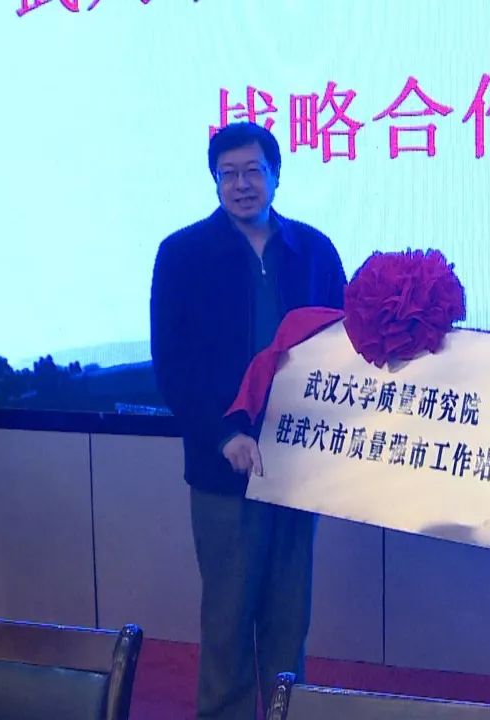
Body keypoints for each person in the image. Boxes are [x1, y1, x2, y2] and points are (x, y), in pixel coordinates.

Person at [149, 122, 346, 720]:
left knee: (289, 620)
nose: (241, 184)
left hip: (297, 465)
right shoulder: (182, 254)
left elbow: (345, 347)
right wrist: (223, 435)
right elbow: (173, 365)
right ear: (214, 182)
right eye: (227, 174)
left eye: (253, 171)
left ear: (275, 175)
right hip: (223, 467)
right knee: (229, 620)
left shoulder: (314, 250)